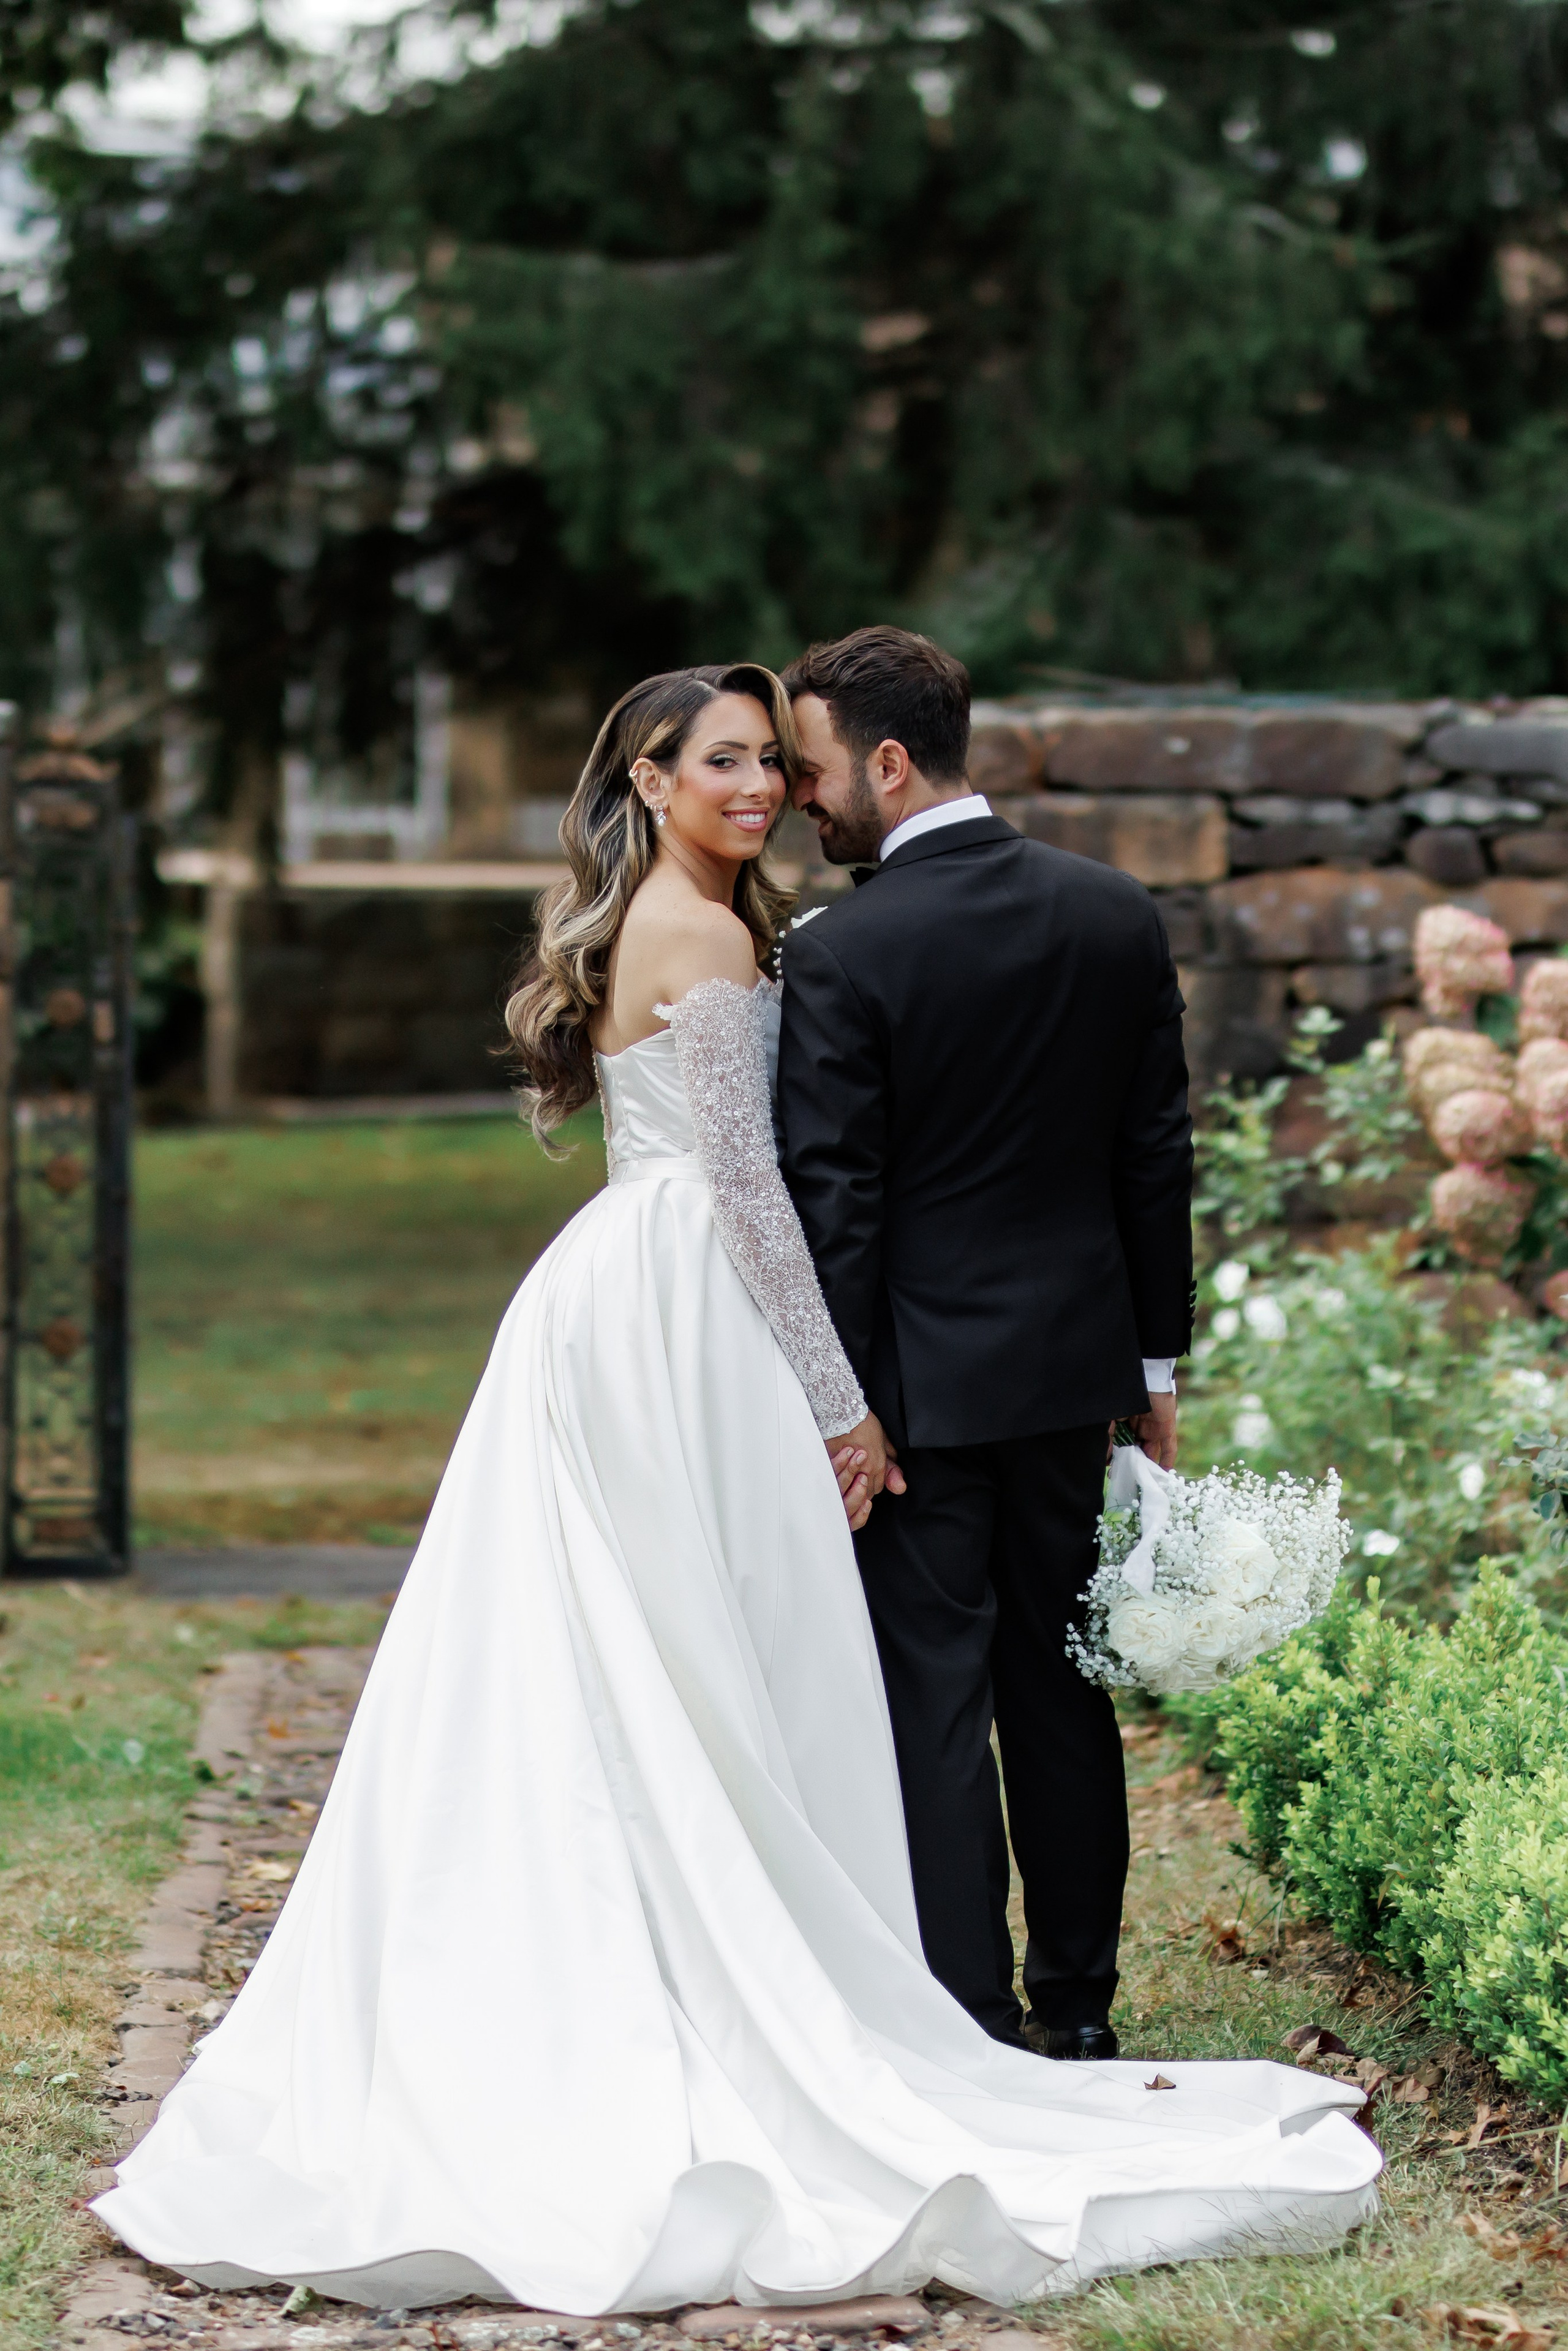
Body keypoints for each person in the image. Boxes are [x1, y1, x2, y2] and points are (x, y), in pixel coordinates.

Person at [94, 662, 1378, 2317]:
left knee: (778, 1665)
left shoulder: (783, 931)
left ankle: (900, 1982)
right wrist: (894, 1399)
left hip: (728, 1306)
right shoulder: (769, 931)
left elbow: (809, 1181)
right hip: (725, 1314)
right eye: (729, 760)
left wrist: (847, 1393)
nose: (768, 786)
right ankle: (925, 1991)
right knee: (732, 1653)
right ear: (647, 775)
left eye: (779, 758)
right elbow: (784, 1194)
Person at [777, 626, 1192, 2062]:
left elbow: (837, 1200)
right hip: (1070, 1375)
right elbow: (1153, 1154)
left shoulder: (840, 950)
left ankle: (967, 2014)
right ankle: (1076, 2006)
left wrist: (840, 1402)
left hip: (914, 1398)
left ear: (887, 764)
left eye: (812, 769)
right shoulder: (1113, 911)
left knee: (934, 1696)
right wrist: (1153, 1368)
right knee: (1061, 1685)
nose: (798, 797)